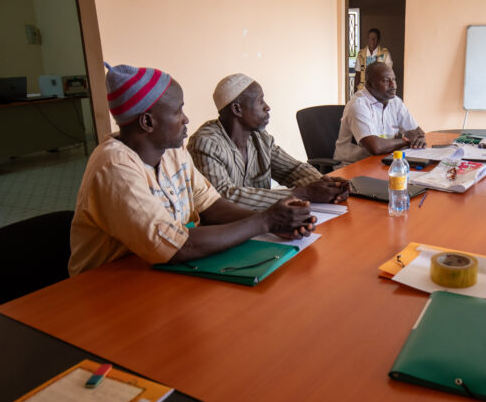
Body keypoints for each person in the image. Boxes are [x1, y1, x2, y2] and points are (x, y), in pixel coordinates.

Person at [69, 64, 315, 276]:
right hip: (107, 287)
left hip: (157, 274)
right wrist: (264, 221)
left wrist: (275, 223)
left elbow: (211, 206)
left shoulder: (171, 151)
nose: (186, 119)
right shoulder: (114, 167)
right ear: (147, 122)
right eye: (178, 111)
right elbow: (176, 247)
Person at [187, 73, 350, 211]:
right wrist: (302, 193)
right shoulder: (206, 143)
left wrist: (326, 185)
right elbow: (222, 197)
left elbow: (293, 169)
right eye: (260, 101)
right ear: (237, 109)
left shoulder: (260, 138)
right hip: (224, 232)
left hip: (262, 224)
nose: (267, 107)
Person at [334, 62, 425, 165]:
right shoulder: (358, 105)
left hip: (384, 162)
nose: (393, 85)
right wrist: (407, 142)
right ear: (368, 84)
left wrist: (419, 139)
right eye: (386, 81)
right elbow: (375, 147)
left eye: (393, 79)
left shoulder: (395, 101)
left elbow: (417, 132)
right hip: (353, 167)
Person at [354, 28, 392, 93]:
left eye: (375, 39)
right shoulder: (361, 54)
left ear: (379, 40)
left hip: (378, 88)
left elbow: (388, 74)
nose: (372, 41)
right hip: (363, 89)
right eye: (370, 38)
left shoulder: (385, 54)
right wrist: (355, 91)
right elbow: (358, 74)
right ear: (367, 39)